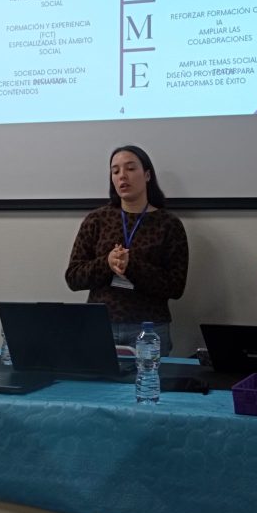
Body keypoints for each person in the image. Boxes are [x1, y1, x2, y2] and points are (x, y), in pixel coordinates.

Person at [65, 145, 188, 355]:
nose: (122, 176)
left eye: (130, 169)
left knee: (149, 377)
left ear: (147, 175)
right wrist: (107, 263)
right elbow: (73, 277)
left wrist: (132, 266)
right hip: (100, 325)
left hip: (149, 329)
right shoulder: (97, 219)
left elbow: (175, 287)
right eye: (115, 171)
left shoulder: (168, 224)